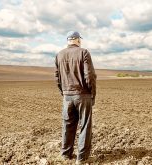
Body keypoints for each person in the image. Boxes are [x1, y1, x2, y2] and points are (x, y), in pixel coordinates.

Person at [55, 31, 97, 164]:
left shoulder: (59, 55)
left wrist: (64, 92)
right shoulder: (84, 52)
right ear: (78, 40)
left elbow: (57, 78)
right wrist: (92, 94)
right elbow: (89, 76)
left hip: (67, 96)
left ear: (68, 40)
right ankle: (82, 157)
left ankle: (65, 154)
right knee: (85, 125)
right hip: (83, 94)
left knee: (67, 124)